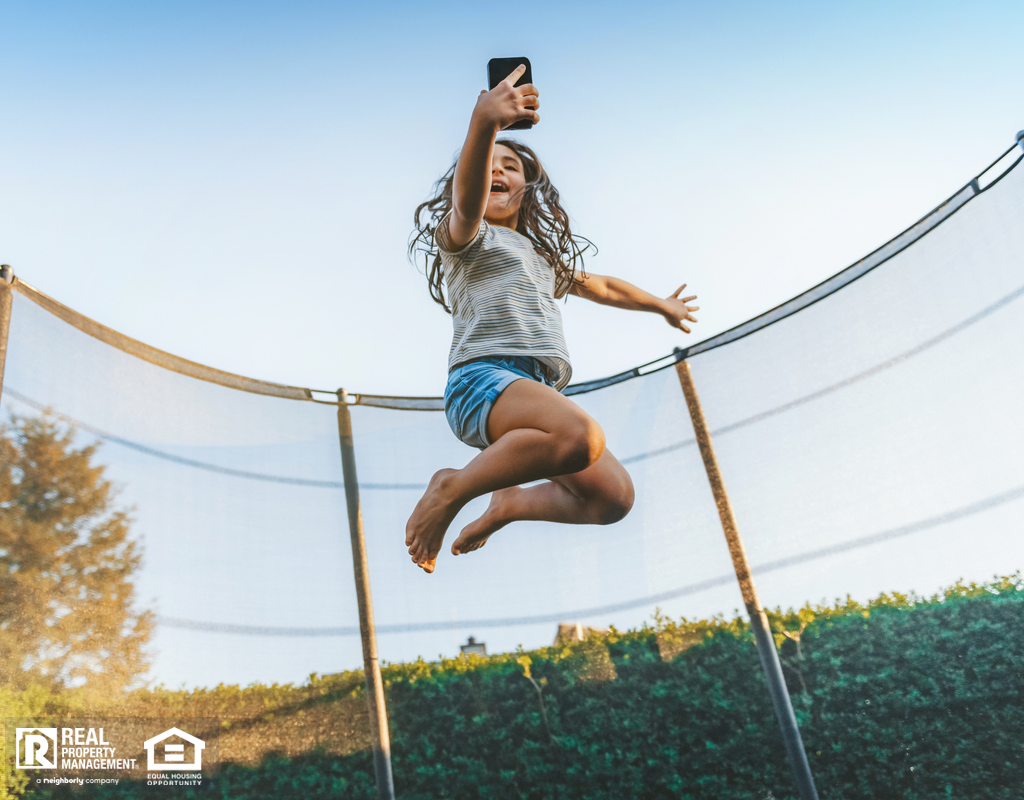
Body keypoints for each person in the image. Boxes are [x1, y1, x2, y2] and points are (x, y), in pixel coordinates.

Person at [405, 65, 698, 573]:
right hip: (483, 377)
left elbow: (602, 286)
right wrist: (484, 124)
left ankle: (511, 502)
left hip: (534, 390)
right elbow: (466, 201)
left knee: (612, 498)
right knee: (581, 438)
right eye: (488, 164)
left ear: (527, 188)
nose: (498, 171)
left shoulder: (541, 257)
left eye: (511, 167)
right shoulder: (465, 238)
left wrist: (661, 305)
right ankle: (453, 487)